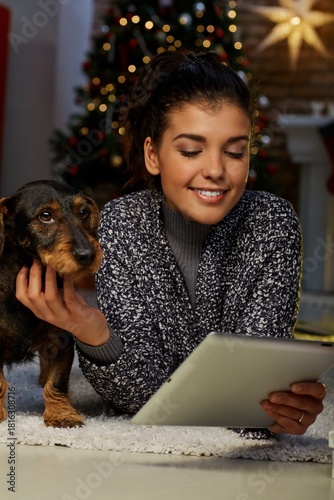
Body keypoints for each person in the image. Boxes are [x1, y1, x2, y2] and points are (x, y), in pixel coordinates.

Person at [16, 49, 326, 437]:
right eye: (191, 150)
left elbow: (254, 394)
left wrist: (281, 404)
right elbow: (141, 400)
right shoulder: (120, 223)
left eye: (235, 151)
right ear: (153, 155)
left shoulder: (272, 222)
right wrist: (93, 330)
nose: (215, 170)